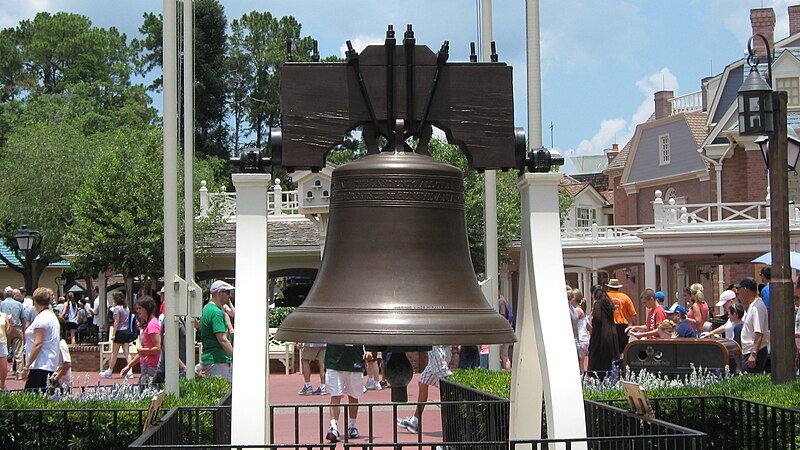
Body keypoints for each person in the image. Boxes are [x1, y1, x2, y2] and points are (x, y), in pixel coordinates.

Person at [397, 345, 452, 434]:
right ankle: (414, 421)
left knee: (446, 384)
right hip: (436, 348)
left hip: (437, 347)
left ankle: (456, 425)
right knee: (423, 383)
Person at [325, 344, 367, 443]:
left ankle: (352, 425)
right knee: (335, 395)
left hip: (355, 360)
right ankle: (333, 427)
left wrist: (369, 349)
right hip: (334, 360)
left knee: (353, 396)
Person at [23, 288, 60, 391]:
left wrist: (26, 366)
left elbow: (38, 344)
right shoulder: (51, 316)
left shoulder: (42, 319)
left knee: (30, 401)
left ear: (35, 301)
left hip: (40, 365)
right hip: (48, 364)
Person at [121, 296, 162, 385]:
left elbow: (158, 348)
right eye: (137, 308)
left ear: (147, 309)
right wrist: (129, 366)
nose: (137, 311)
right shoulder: (148, 324)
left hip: (152, 368)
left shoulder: (152, 325)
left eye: (140, 308)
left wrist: (142, 350)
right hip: (146, 367)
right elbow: (142, 352)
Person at [200, 280, 235, 381]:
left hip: (212, 359)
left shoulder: (206, 309)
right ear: (219, 293)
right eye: (227, 292)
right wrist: (235, 356)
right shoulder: (216, 312)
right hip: (219, 360)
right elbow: (222, 339)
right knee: (225, 394)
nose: (230, 296)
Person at [100, 292, 134, 379]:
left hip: (119, 332)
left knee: (114, 353)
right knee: (127, 353)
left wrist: (113, 334)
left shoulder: (117, 309)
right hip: (126, 331)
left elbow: (116, 321)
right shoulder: (127, 308)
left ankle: (110, 371)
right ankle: (130, 371)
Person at [738, 277, 769, 373]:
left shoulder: (757, 307)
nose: (739, 293)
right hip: (749, 351)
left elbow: (759, 333)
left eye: (740, 290)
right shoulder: (752, 305)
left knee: (748, 383)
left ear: (745, 289)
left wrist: (753, 354)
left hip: (754, 351)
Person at [587, 286, 618, 375]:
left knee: (597, 364)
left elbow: (598, 320)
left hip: (600, 337)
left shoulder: (598, 304)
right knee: (609, 363)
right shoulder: (608, 305)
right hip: (611, 335)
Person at [606, 279, 637, 356]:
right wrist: (634, 327)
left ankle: (611, 366)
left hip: (608, 325)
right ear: (618, 287)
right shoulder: (625, 297)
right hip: (622, 327)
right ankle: (621, 365)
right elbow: (633, 315)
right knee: (623, 350)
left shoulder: (605, 297)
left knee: (609, 350)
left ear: (609, 287)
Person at [51, 316, 72, 391]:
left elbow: (67, 364)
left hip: (62, 383)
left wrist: (57, 378)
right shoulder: (55, 343)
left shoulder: (61, 344)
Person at [570, 289, 589, 371]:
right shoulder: (580, 310)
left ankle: (582, 380)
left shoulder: (577, 310)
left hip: (580, 339)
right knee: (581, 362)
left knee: (579, 363)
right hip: (583, 339)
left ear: (574, 298)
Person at [498, 294, 514, 370]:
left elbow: (502, 319)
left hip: (503, 333)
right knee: (504, 354)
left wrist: (500, 337)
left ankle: (507, 372)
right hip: (506, 332)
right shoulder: (503, 300)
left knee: (503, 355)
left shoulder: (501, 302)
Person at [0, 307, 11, 389]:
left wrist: (10, 322)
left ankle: (2, 384)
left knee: (4, 367)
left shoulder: (4, 316)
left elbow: (8, 331)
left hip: (2, 342)